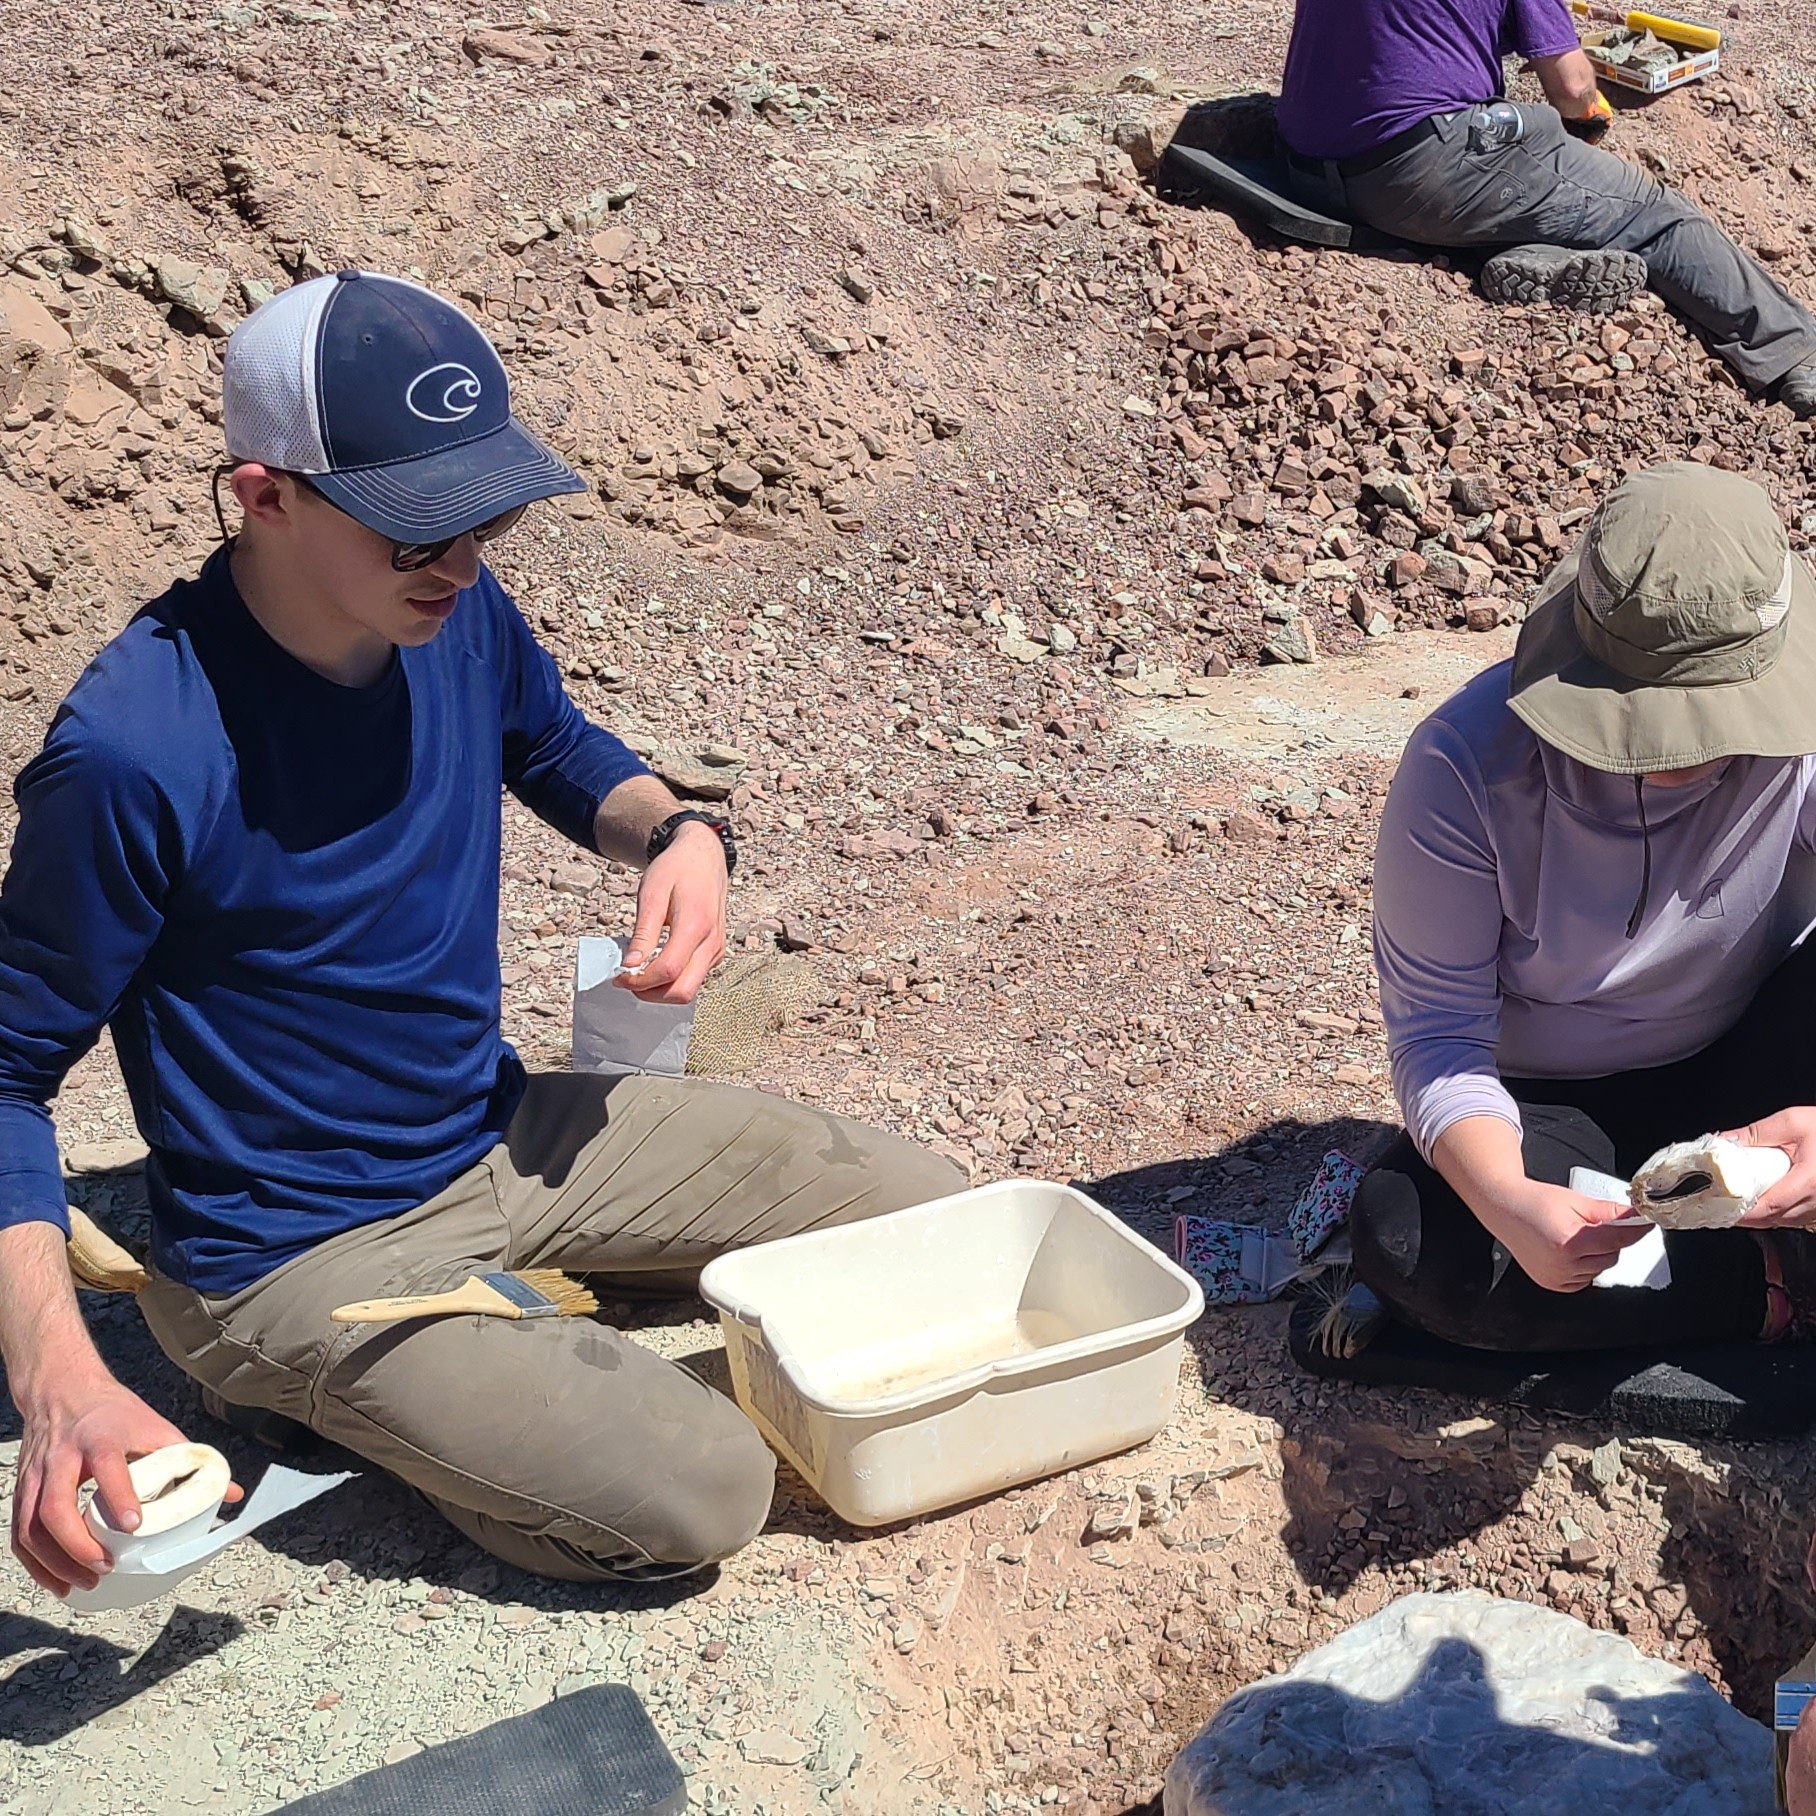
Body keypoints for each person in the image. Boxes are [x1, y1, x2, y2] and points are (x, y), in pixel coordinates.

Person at [0, 270, 963, 1599]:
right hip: (296, 1253)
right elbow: (7, 1070)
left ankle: (493, 1335)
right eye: (416, 534)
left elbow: (554, 745)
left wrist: (679, 833)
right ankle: (293, 1389)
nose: (461, 565)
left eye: (484, 519)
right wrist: (58, 1383)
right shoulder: (135, 751)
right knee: (707, 1490)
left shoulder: (445, 613)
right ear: (264, 497)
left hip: (494, 1133)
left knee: (936, 1226)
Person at [1353, 459, 1816, 1353]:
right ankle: (1756, 1288)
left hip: (1761, 1046)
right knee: (1414, 1239)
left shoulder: (1801, 735)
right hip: (1559, 1102)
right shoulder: (1464, 769)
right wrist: (1508, 1199)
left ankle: (1727, 1261)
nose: (1688, 751)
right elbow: (1439, 1036)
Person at [1273, 0, 1816, 414]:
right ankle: (1794, 352)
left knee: (1508, 182)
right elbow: (1572, 87)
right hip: (1420, 171)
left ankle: (1535, 250)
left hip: (1308, 168)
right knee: (1655, 214)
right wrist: (1587, 110)